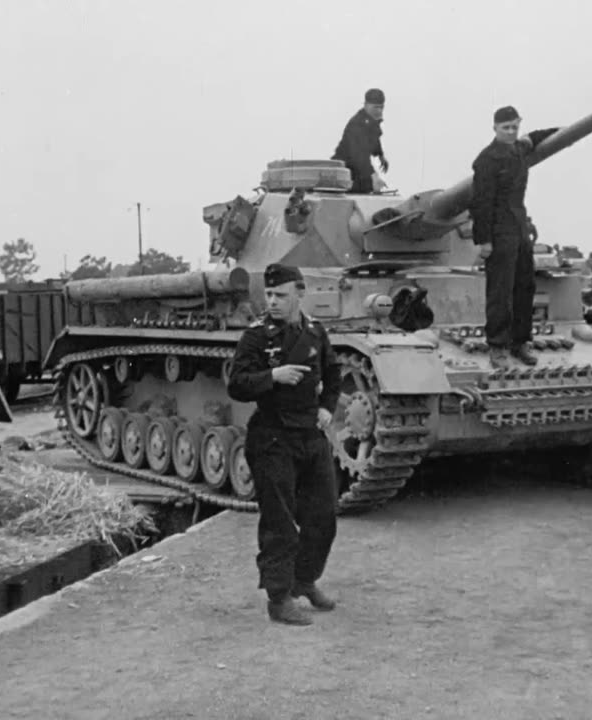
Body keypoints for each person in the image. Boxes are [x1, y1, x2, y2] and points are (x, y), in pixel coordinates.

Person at [227, 264, 341, 626]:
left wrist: (327, 408)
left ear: (300, 293)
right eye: (270, 295)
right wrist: (271, 376)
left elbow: (334, 373)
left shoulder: (315, 331)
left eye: (281, 295)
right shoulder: (257, 337)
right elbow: (237, 384)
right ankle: (279, 600)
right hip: (273, 438)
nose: (273, 301)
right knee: (278, 523)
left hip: (310, 435)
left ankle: (303, 580)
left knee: (323, 516)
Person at [469, 105, 557, 370]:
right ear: (494, 128)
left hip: (519, 228)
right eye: (505, 128)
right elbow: (480, 202)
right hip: (498, 231)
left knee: (524, 287)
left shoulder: (519, 148)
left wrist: (563, 131)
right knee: (500, 291)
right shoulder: (487, 159)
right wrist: (483, 240)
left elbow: (537, 137)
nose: (510, 132)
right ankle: (497, 345)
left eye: (514, 127)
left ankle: (520, 341)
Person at [332, 88, 389, 194]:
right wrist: (373, 176)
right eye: (375, 107)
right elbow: (359, 156)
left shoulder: (372, 123)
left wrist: (380, 155)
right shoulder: (357, 124)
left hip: (358, 170)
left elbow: (374, 140)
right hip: (346, 170)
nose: (379, 111)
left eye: (381, 107)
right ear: (366, 105)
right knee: (366, 187)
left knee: (370, 187)